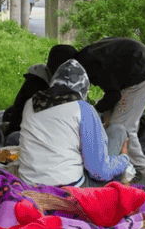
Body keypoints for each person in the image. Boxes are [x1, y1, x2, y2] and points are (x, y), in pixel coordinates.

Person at [17, 59, 130, 188]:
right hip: (67, 189)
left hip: (29, 184)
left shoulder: (30, 103)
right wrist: (124, 159)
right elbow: (99, 171)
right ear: (83, 88)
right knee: (118, 131)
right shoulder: (82, 108)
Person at [74, 36, 145, 186]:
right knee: (112, 120)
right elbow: (111, 91)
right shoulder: (84, 59)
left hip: (144, 73)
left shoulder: (89, 66)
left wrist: (92, 112)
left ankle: (144, 174)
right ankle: (115, 164)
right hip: (135, 69)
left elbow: (113, 94)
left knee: (122, 127)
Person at [0, 44, 78, 143]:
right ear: (48, 71)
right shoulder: (35, 85)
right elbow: (27, 120)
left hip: (55, 130)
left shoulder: (75, 82)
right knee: (14, 138)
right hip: (29, 129)